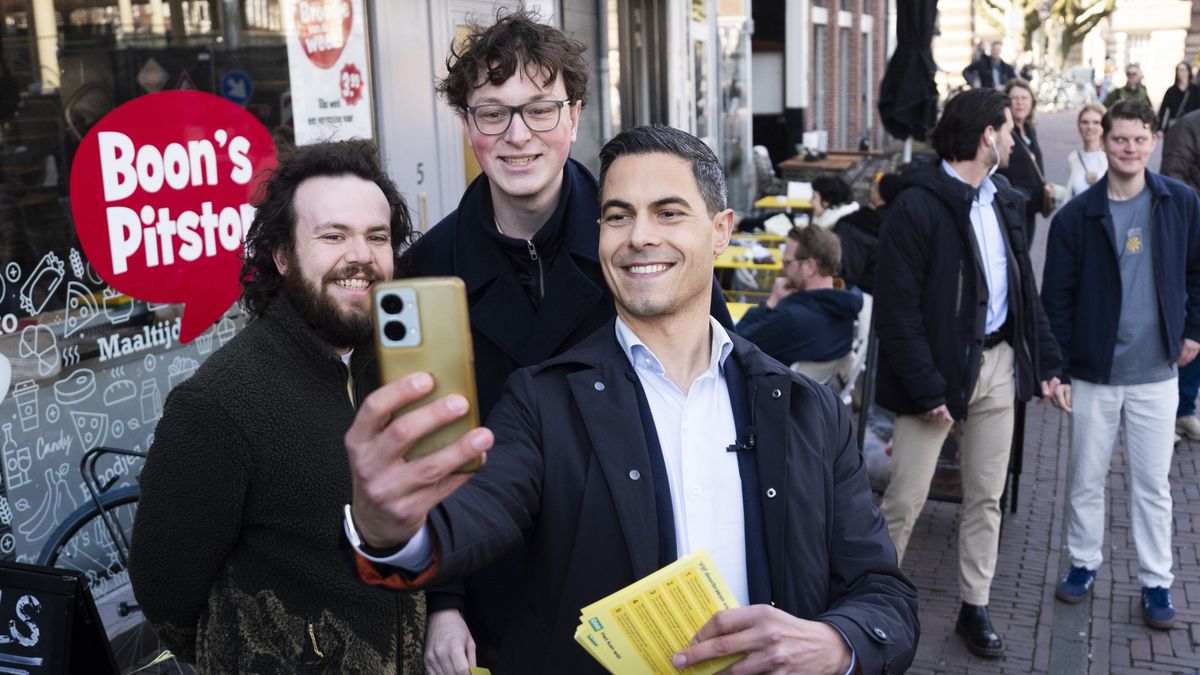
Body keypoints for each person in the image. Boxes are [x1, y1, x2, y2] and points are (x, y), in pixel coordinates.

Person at [344, 125, 920, 673]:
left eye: (669, 212)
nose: (640, 235)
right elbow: (478, 514)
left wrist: (835, 643)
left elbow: (885, 595)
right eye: (618, 216)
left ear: (721, 231)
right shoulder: (543, 401)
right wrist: (391, 531)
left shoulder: (807, 412)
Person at [403, 10, 732, 669]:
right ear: (468, 127)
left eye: (540, 109)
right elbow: (427, 451)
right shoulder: (427, 273)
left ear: (575, 116)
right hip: (503, 584)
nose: (516, 135)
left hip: (645, 576)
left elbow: (721, 390)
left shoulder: (647, 245)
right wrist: (444, 599)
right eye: (492, 113)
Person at [128, 141, 426, 671]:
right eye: (333, 235)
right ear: (282, 256)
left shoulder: (400, 368)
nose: (360, 255)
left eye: (376, 237)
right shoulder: (218, 405)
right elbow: (167, 595)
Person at [873, 88, 1062, 658]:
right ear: (986, 136)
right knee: (904, 501)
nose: (1012, 139)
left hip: (999, 366)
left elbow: (1024, 291)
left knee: (986, 495)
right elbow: (896, 311)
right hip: (934, 377)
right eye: (1007, 130)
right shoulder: (918, 205)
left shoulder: (1002, 197)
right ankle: (872, 608)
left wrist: (1048, 363)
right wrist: (929, 388)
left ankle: (973, 607)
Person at [1042, 99, 1200, 629]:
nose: (1129, 149)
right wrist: (1058, 368)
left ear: (1153, 141)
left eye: (1138, 139)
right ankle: (1082, 564)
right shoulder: (1075, 218)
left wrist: (1194, 330)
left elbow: (1199, 272)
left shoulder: (1181, 203)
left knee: (1153, 485)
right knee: (1086, 477)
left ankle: (1157, 583)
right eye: (1119, 139)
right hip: (1094, 373)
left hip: (1158, 372)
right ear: (1103, 143)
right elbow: (1056, 300)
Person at [736, 225, 863, 370]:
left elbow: (733, 345)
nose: (783, 269)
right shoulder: (846, 305)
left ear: (809, 266)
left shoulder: (791, 318)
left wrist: (771, 302)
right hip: (819, 389)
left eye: (787, 262)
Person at [1161, 107, 1200, 442]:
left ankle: (1185, 410)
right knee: (1185, 323)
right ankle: (1171, 411)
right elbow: (1173, 181)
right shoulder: (1188, 126)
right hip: (1192, 239)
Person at [998, 78, 1055, 241]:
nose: (1019, 103)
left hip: (1031, 207)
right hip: (1012, 208)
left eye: (1024, 98)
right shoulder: (1003, 132)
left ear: (1032, 103)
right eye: (1014, 98)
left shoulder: (1029, 130)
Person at [811, 173, 881, 293]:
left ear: (826, 202)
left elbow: (846, 278)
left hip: (864, 297)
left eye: (814, 197)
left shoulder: (847, 230)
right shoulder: (851, 220)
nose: (810, 202)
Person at [1067, 102, 1108, 198]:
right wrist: (1055, 192)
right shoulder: (1074, 157)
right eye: (1085, 122)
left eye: (1096, 122)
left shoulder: (1111, 157)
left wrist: (1098, 178)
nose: (1090, 127)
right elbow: (1073, 194)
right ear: (1078, 126)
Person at [1158, 61, 1200, 133]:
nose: (1179, 72)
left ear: (1188, 72)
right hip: (1174, 128)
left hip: (1191, 128)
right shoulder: (1170, 91)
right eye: (1178, 70)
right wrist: (1160, 128)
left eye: (1182, 70)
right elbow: (1164, 111)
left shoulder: (1196, 90)